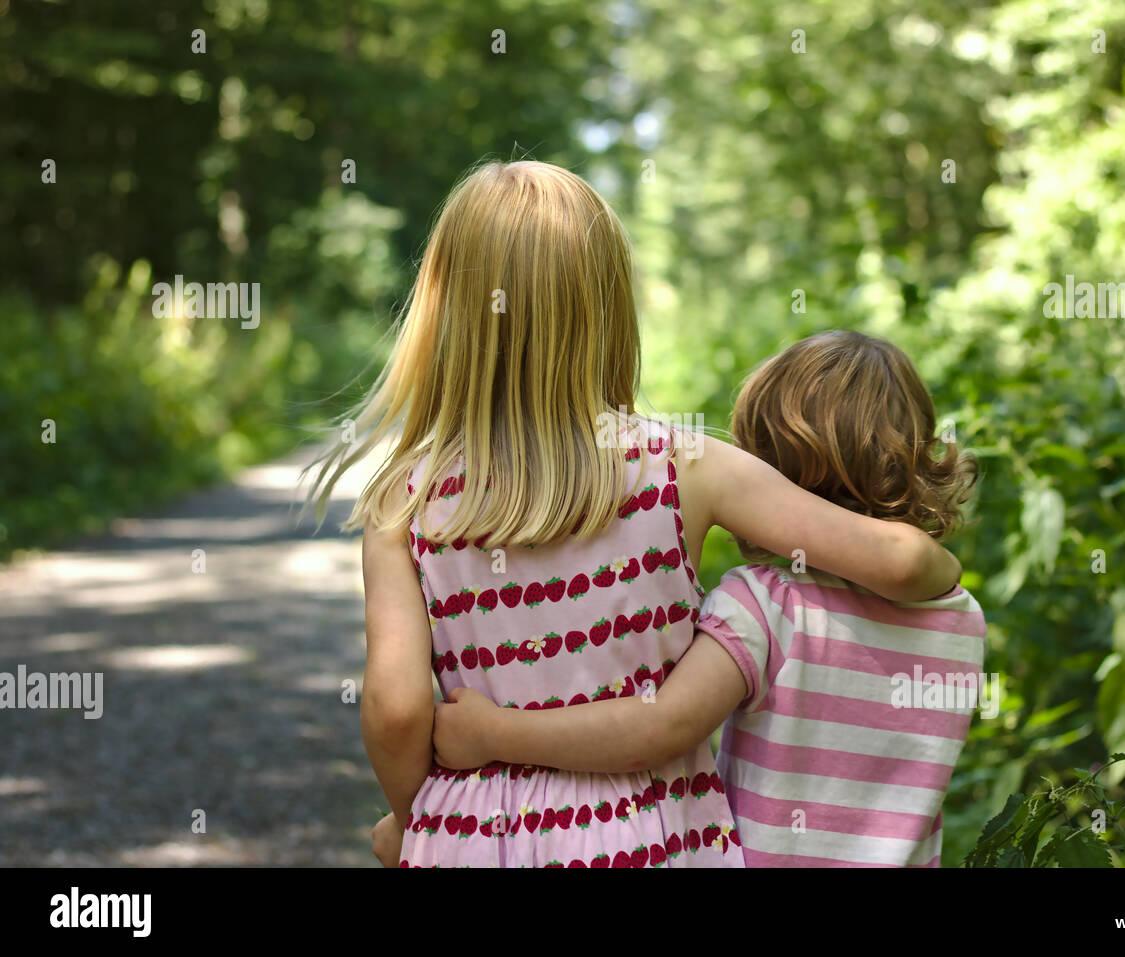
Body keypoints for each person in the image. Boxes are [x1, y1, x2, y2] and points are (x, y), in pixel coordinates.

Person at [303, 162, 962, 866]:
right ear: (608, 306)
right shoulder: (685, 465)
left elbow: (397, 710)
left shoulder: (403, 501)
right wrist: (942, 566)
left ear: (445, 310)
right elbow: (903, 562)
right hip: (655, 836)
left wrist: (424, 821)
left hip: (475, 840)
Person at [432, 330, 984, 866]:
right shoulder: (958, 617)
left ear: (773, 471)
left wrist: (496, 734)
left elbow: (661, 728)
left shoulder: (766, 607)